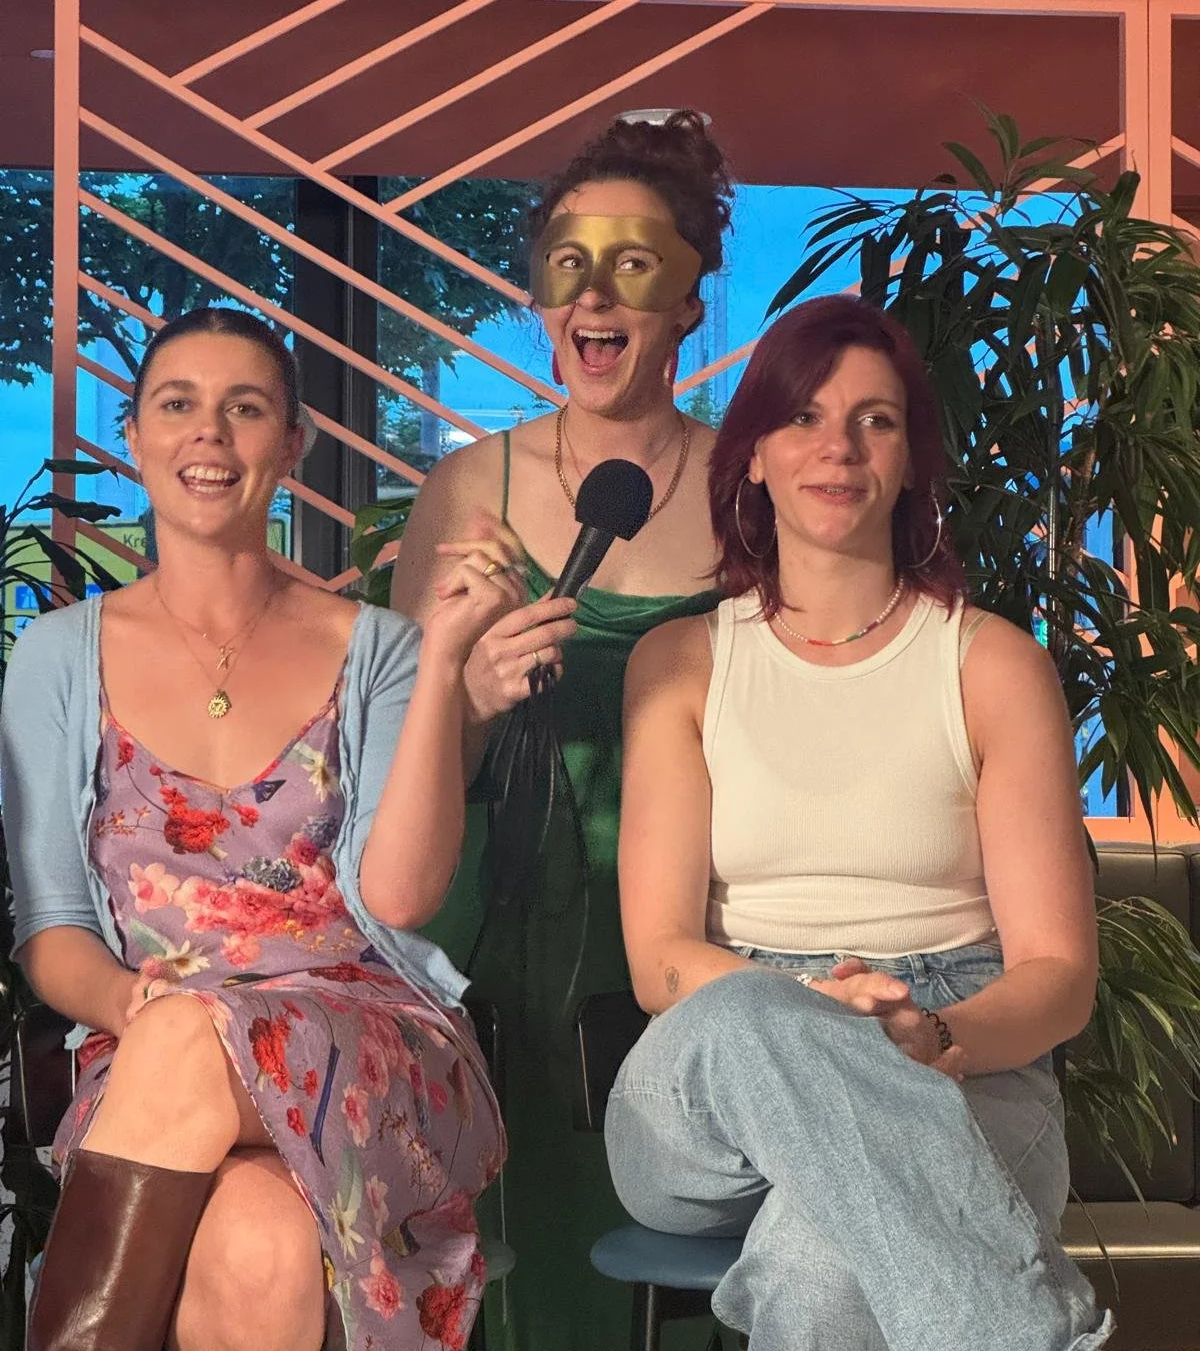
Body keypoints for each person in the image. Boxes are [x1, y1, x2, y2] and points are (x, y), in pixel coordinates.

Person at [0, 308, 515, 1351]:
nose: (209, 434)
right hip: (149, 1053)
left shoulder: (380, 648)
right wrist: (133, 1003)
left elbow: (403, 900)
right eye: (178, 405)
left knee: (194, 1035)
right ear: (134, 438)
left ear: (291, 446)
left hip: (372, 1041)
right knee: (258, 1240)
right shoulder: (57, 657)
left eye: (246, 409)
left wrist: (448, 661)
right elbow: (53, 925)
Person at [607, 294, 1113, 1350]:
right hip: (713, 1068)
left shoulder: (991, 667)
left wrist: (930, 1036)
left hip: (955, 1041)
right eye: (804, 417)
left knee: (819, 1265)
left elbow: (1059, 975)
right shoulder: (683, 664)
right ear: (750, 456)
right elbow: (659, 961)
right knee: (751, 1014)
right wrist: (813, 1010)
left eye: (875, 420)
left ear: (911, 460)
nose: (838, 446)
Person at [390, 110, 733, 1349]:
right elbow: (401, 772)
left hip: (692, 927)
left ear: (691, 294)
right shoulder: (463, 492)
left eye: (634, 260)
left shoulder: (755, 490)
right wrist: (467, 692)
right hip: (495, 932)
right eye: (566, 261)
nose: (593, 293)